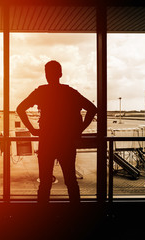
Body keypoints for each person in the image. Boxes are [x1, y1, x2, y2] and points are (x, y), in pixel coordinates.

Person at [16, 60, 97, 204]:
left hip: (47, 141)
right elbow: (92, 109)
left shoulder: (41, 91)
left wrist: (33, 130)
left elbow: (20, 108)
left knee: (45, 184)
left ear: (46, 75)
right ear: (60, 74)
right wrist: (80, 129)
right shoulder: (70, 92)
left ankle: (43, 217)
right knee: (71, 182)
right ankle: (76, 215)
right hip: (66, 142)